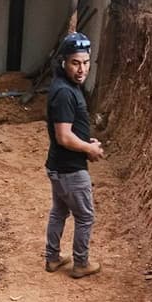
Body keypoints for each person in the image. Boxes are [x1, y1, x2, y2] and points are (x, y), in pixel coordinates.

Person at [44, 32, 104, 279]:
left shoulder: (66, 87)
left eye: (86, 62)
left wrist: (86, 141)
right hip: (70, 169)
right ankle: (81, 264)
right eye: (75, 63)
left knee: (59, 211)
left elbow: (70, 131)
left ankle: (53, 257)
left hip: (58, 166)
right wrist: (88, 148)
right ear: (63, 62)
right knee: (85, 217)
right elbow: (64, 137)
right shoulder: (65, 93)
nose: (81, 69)